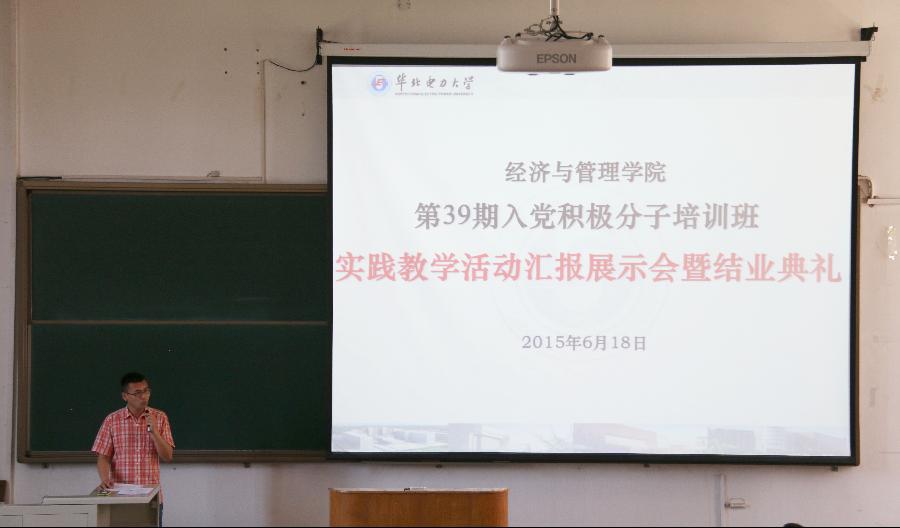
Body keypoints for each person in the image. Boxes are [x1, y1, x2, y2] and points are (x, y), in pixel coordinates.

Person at [92, 372, 175, 524]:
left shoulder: (160, 417)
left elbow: (168, 456)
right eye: (137, 393)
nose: (144, 396)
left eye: (146, 391)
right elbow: (103, 457)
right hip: (119, 498)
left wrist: (154, 432)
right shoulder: (112, 420)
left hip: (150, 499)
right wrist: (105, 479)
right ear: (125, 396)